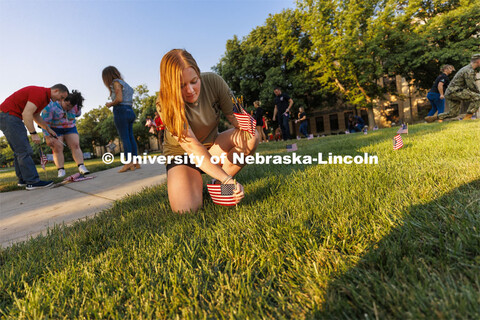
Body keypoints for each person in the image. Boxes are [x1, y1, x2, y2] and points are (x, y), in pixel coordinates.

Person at [157, 49, 259, 213]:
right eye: (181, 85)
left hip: (213, 149)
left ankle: (218, 185)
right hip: (183, 156)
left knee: (250, 135)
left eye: (194, 81)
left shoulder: (213, 81)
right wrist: (228, 179)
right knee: (187, 209)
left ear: (198, 73)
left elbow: (235, 119)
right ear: (170, 85)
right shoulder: (164, 102)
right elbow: (192, 148)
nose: (190, 90)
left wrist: (248, 126)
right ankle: (205, 180)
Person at [0, 84, 69, 190]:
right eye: (62, 97)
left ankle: (23, 179)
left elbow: (35, 115)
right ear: (56, 91)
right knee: (24, 150)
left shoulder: (45, 98)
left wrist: (47, 128)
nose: (61, 100)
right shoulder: (40, 93)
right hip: (9, 116)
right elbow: (27, 114)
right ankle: (32, 182)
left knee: (19, 150)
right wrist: (33, 133)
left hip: (7, 116)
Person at [41, 90, 90, 177]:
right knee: (57, 148)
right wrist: (47, 137)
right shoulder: (50, 107)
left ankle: (81, 166)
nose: (69, 108)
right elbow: (44, 122)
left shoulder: (76, 107)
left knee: (75, 145)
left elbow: (78, 114)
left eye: (71, 106)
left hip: (70, 128)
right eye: (67, 105)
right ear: (62, 100)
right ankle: (61, 170)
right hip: (54, 129)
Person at [102, 66, 140, 172]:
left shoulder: (116, 83)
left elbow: (119, 99)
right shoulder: (125, 84)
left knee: (125, 138)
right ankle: (135, 162)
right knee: (131, 137)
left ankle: (128, 163)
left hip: (121, 111)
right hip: (130, 111)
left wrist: (110, 104)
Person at [436, 54, 480, 121]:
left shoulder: (467, 68)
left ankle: (436, 118)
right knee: (478, 97)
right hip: (455, 91)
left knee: (453, 113)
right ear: (478, 61)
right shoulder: (469, 70)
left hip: (450, 92)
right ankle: (467, 118)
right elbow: (471, 86)